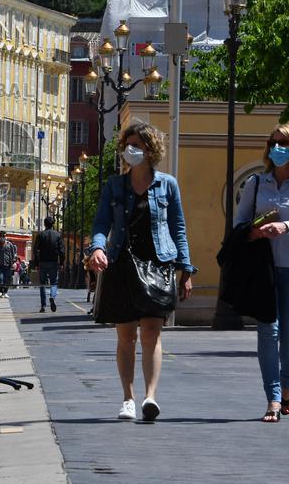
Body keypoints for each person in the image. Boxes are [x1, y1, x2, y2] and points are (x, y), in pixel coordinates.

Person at [88, 122, 194, 422]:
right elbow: (100, 224)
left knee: (150, 333)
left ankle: (150, 396)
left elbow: (178, 228)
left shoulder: (167, 185)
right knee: (126, 337)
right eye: (127, 145)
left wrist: (186, 269)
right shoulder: (114, 186)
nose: (130, 150)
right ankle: (127, 398)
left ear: (150, 150)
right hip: (121, 262)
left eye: (136, 145)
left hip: (158, 264)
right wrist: (97, 248)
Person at [234, 123, 289, 423]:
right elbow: (239, 224)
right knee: (267, 333)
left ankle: (287, 385)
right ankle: (273, 396)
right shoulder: (256, 183)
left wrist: (285, 226)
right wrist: (254, 231)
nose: (277, 148)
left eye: (283, 142)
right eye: (273, 142)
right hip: (264, 271)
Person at [33, 216, 65, 313]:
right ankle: (52, 296)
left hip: (42, 262)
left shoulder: (40, 235)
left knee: (42, 284)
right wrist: (62, 262)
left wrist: (36, 263)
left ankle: (43, 305)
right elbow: (62, 251)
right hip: (53, 262)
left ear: (44, 224)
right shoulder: (58, 235)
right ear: (53, 224)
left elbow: (35, 250)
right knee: (54, 282)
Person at [0, 232, 17, 299]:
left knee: (6, 279)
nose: (3, 238)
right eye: (1, 237)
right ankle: (1, 292)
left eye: (4, 237)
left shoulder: (9, 245)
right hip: (0, 265)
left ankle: (5, 292)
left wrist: (14, 262)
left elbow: (13, 254)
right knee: (1, 279)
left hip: (8, 265)